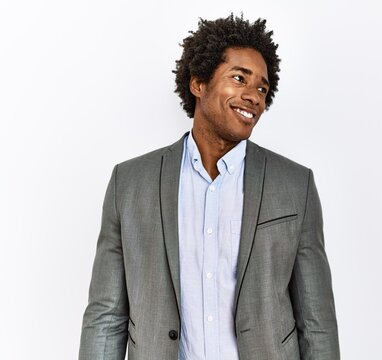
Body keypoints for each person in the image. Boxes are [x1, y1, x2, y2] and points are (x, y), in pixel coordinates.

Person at [79, 14, 339, 360]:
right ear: (198, 83)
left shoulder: (295, 185)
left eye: (262, 88)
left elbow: (316, 320)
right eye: (239, 78)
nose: (253, 96)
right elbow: (106, 316)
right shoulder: (129, 184)